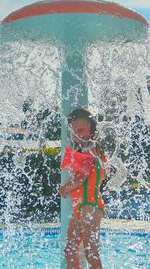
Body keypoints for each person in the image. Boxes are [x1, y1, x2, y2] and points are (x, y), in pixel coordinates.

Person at [59, 108, 107, 269]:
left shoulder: (93, 147)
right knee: (70, 250)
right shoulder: (83, 150)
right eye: (74, 131)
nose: (78, 134)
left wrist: (65, 188)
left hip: (91, 206)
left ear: (92, 128)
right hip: (81, 207)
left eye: (82, 129)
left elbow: (82, 176)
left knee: (90, 250)